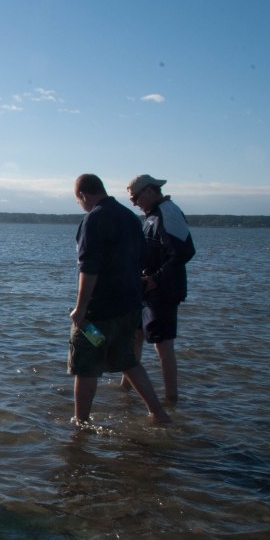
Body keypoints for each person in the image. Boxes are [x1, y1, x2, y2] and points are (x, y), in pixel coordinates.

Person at [69, 173, 171, 424]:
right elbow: (143, 259)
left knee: (85, 366)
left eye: (79, 200)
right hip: (129, 306)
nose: (81, 205)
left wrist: (81, 309)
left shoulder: (93, 219)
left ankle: (80, 424)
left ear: (83, 195)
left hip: (99, 310)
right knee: (128, 361)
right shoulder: (130, 217)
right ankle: (158, 414)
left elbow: (89, 268)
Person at [123, 174, 195, 403]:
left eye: (135, 197)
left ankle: (171, 399)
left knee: (162, 346)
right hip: (146, 289)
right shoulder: (152, 215)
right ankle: (125, 390)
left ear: (150, 192)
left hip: (163, 291)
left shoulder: (168, 212)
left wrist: (157, 278)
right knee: (134, 336)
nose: (133, 203)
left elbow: (184, 252)